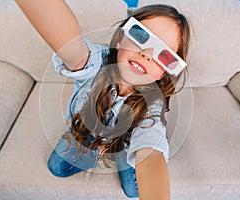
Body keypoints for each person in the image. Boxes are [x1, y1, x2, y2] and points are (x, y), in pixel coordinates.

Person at [15, 0, 190, 199]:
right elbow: (70, 46)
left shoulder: (152, 103)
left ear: (164, 74)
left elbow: (151, 149)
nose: (147, 54)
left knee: (134, 190)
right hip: (87, 131)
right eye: (141, 37)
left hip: (126, 143)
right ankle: (99, 149)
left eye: (164, 55)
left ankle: (119, 151)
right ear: (120, 41)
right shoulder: (97, 62)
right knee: (57, 167)